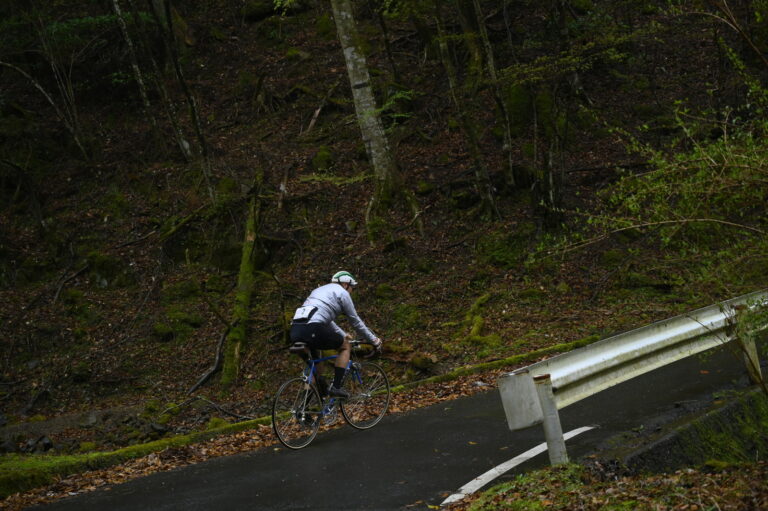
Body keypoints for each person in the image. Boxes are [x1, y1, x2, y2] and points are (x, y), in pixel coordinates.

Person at [289, 271, 382, 399]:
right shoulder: (342, 293)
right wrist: (374, 340)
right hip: (313, 328)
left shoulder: (319, 291)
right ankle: (336, 387)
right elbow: (355, 321)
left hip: (295, 330)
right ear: (345, 284)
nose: (351, 291)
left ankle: (304, 407)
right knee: (345, 346)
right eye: (352, 287)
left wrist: (343, 334)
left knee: (316, 368)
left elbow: (327, 321)